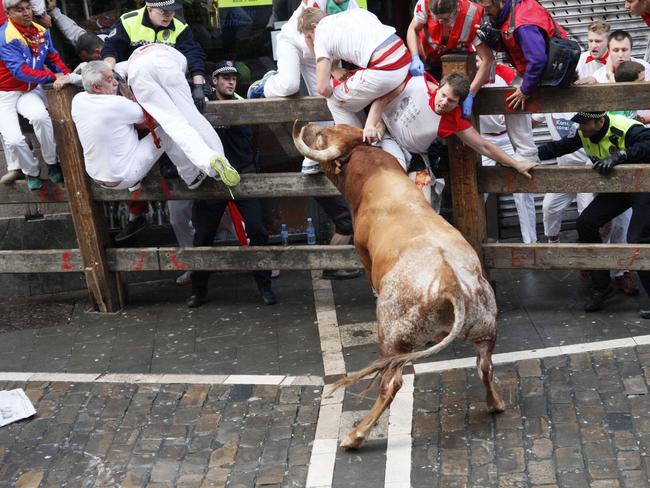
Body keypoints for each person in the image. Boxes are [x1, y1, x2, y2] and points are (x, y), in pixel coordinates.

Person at [537, 111, 650, 317]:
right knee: (586, 223)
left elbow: (648, 143)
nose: (581, 128)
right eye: (579, 124)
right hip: (619, 189)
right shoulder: (584, 133)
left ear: (600, 121)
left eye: (585, 124)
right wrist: (521, 157)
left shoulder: (625, 127)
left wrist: (621, 155)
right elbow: (558, 147)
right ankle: (601, 286)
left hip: (643, 185)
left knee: (637, 238)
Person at [187, 60, 276, 307]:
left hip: (242, 175)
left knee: (257, 229)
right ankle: (198, 291)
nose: (230, 81)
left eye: (233, 78)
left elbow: (244, 140)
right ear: (213, 81)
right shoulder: (201, 104)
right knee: (203, 235)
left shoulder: (241, 106)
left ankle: (265, 286)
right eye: (224, 78)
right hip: (213, 179)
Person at [363, 72, 538, 180]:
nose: (444, 102)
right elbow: (383, 98)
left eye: (451, 101)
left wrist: (516, 164)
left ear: (458, 104)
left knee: (425, 202)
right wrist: (370, 124)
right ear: (438, 87)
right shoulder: (417, 84)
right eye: (443, 95)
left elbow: (483, 145)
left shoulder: (454, 121)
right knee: (396, 171)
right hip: (386, 133)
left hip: (415, 155)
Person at [71, 60, 207, 192]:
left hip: (95, 176)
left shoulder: (78, 100)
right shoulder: (116, 104)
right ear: (96, 87)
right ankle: (192, 175)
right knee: (167, 129)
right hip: (124, 177)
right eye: (109, 79)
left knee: (122, 131)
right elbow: (149, 116)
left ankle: (136, 181)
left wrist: (71, 78)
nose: (115, 82)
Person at [297, 6, 410, 128]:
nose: (310, 40)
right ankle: (363, 137)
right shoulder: (353, 13)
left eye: (308, 36)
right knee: (347, 93)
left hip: (386, 68)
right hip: (403, 56)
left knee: (334, 101)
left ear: (314, 26)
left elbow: (322, 88)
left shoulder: (320, 33)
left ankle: (354, 145)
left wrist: (311, 43)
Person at [0, 0, 69, 190]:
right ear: (8, 13)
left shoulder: (40, 30)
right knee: (13, 139)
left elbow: (52, 57)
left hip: (29, 90)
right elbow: (20, 71)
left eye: (28, 8)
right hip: (4, 93)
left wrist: (66, 75)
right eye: (20, 10)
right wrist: (51, 75)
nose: (26, 13)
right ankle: (31, 171)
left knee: (41, 117)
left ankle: (52, 162)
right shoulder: (5, 36)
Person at [101, 0, 208, 113]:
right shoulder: (129, 21)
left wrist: (198, 86)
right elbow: (110, 48)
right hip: (133, 86)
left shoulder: (180, 25)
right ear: (149, 8)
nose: (168, 15)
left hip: (168, 86)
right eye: (163, 11)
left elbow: (193, 54)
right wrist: (109, 72)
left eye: (172, 11)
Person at [479, 62, 538, 243]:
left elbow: (525, 95)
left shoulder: (504, 72)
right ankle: (476, 241)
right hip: (482, 138)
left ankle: (531, 243)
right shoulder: (469, 76)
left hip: (507, 137)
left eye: (479, 58)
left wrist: (509, 114)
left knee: (522, 189)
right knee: (479, 191)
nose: (476, 62)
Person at [406, 0, 494, 118]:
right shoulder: (424, 3)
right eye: (436, 18)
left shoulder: (473, 15)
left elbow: (488, 59)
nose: (440, 22)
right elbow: (413, 29)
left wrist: (472, 92)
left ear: (457, 8)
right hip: (426, 58)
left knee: (452, 103)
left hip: (457, 62)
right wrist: (415, 56)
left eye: (446, 19)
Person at [478, 0, 568, 111]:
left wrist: (525, 90)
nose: (485, 12)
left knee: (515, 102)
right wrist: (495, 40)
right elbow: (516, 43)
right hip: (539, 74)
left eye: (487, 8)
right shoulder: (512, 8)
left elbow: (538, 59)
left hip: (551, 76)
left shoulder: (523, 24)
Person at [578, 30, 650, 84]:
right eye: (616, 50)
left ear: (631, 50)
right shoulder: (599, 75)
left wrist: (610, 75)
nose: (620, 55)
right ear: (609, 51)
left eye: (624, 50)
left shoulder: (645, 68)